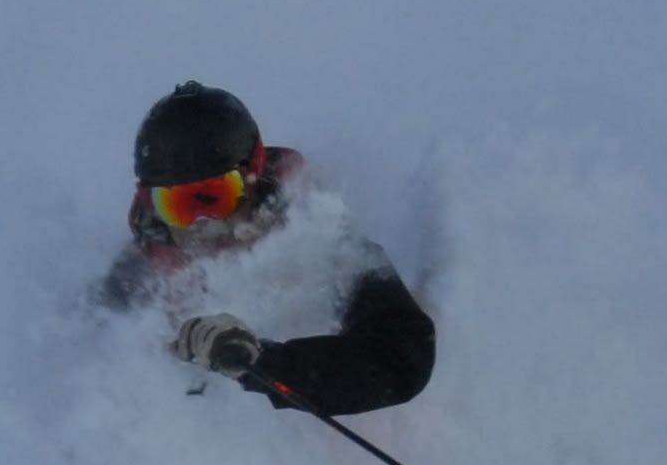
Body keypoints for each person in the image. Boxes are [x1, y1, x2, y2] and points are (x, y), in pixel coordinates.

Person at [95, 82, 434, 417]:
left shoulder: (326, 244)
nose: (201, 222)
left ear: (252, 177)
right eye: (177, 205)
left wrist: (262, 363)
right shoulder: (137, 279)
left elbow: (401, 360)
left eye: (214, 196)